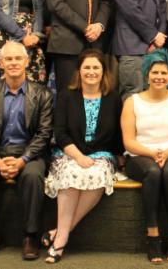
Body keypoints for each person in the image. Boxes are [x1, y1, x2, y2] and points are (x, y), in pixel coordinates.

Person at [0, 41, 54, 260]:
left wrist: (23, 160)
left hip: (30, 152)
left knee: (33, 176)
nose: (14, 63)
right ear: (0, 63)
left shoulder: (42, 94)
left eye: (18, 58)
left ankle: (30, 236)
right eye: (8, 59)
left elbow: (43, 134)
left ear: (27, 62)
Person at [43, 49, 123, 263]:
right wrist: (78, 157)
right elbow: (59, 133)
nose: (91, 71)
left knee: (97, 175)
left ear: (103, 71)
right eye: (86, 67)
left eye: (96, 67)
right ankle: (61, 238)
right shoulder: (66, 96)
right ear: (79, 71)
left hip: (102, 154)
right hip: (69, 152)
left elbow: (117, 134)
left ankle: (60, 234)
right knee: (70, 174)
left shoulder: (113, 98)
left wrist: (120, 157)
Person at [121, 49, 168, 264]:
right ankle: (152, 234)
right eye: (155, 72)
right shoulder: (132, 102)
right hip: (139, 155)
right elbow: (129, 141)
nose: (159, 77)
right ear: (146, 75)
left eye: (164, 73)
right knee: (152, 172)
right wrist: (153, 153)